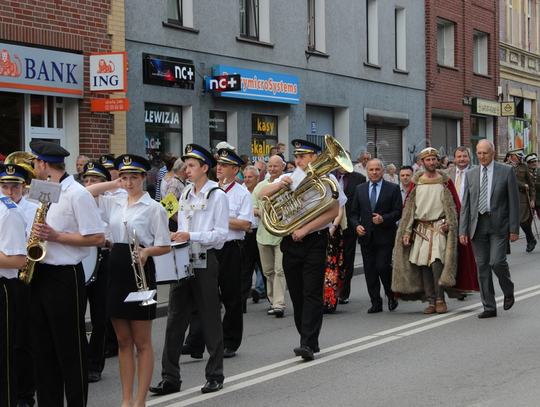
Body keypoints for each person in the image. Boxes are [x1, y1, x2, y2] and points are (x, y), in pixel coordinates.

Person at [87, 154, 171, 407]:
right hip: (116, 267)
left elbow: (164, 245)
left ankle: (140, 400)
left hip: (141, 272)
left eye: (134, 177)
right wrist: (114, 184)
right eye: (125, 176)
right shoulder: (115, 201)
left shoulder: (153, 207)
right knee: (123, 341)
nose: (129, 182)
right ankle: (126, 400)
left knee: (142, 342)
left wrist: (147, 252)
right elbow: (88, 192)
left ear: (144, 178)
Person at [28, 140, 105, 407]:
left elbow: (96, 238)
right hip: (39, 273)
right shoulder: (42, 189)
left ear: (43, 164)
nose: (34, 167)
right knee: (43, 348)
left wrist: (57, 236)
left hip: (64, 277)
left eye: (35, 163)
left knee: (70, 349)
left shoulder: (77, 194)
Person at [149, 144, 228, 395]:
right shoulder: (183, 194)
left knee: (210, 319)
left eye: (192, 165)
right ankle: (170, 377)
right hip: (182, 261)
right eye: (186, 165)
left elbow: (221, 236)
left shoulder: (218, 195)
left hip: (205, 261)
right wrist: (173, 236)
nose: (187, 170)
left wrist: (189, 234)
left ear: (205, 168)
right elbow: (178, 223)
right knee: (174, 321)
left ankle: (215, 375)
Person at [258, 139, 346, 360]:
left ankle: (306, 342)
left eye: (303, 157)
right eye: (296, 157)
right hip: (290, 241)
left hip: (315, 239)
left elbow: (333, 211)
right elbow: (261, 195)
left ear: (315, 157)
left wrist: (305, 229)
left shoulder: (329, 178)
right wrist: (279, 185)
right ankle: (309, 338)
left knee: (312, 292)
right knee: (297, 294)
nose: (297, 161)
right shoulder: (289, 177)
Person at [392, 148, 477, 314]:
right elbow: (409, 210)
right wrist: (407, 232)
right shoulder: (417, 183)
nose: (431, 162)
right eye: (428, 160)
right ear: (422, 162)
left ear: (437, 161)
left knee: (437, 264)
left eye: (434, 159)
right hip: (420, 229)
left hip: (439, 228)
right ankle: (431, 301)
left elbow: (452, 208)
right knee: (424, 265)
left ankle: (440, 299)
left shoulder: (445, 182)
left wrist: (448, 224)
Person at [459, 140, 519, 319]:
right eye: (478, 153)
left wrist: (514, 228)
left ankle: (508, 290)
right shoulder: (471, 174)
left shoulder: (506, 171)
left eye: (485, 153)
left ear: (493, 153)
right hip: (478, 225)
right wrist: (463, 230)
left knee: (496, 262)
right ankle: (489, 306)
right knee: (482, 267)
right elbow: (466, 205)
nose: (482, 156)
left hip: (498, 224)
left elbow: (514, 202)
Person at [0, 162, 36, 407]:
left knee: (19, 341)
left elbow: (18, 259)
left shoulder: (11, 210)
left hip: (13, 280)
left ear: (24, 187)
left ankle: (22, 394)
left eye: (14, 186)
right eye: (5, 186)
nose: (9, 191)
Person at [350, 158, 401, 313]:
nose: (374, 172)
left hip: (385, 235)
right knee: (370, 270)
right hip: (366, 236)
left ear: (383, 171)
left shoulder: (392, 188)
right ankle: (375, 302)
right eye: (371, 170)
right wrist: (356, 225)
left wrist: (383, 219)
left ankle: (391, 294)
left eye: (377, 169)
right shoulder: (360, 189)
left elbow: (398, 211)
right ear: (367, 172)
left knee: (383, 266)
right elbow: (353, 213)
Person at [81, 162, 114, 384]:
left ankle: (95, 364)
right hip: (82, 259)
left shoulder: (111, 201)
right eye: (86, 180)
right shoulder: (78, 201)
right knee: (77, 316)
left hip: (104, 259)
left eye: (94, 180)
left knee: (101, 316)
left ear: (104, 183)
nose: (89, 184)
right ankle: (81, 360)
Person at [253, 155, 288, 317]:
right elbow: (252, 207)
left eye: (276, 166)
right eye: (271, 166)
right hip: (263, 234)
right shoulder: (260, 186)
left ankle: (279, 304)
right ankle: (273, 300)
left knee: (280, 269)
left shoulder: (288, 184)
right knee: (268, 271)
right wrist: (262, 212)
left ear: (283, 167)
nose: (273, 169)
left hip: (281, 234)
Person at [335, 162, 366, 305]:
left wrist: (358, 223)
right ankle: (331, 291)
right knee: (331, 260)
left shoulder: (358, 178)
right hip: (328, 224)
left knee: (348, 260)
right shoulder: (328, 177)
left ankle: (344, 292)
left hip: (349, 226)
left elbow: (361, 202)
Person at [241, 165, 266, 311]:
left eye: (250, 177)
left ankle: (274, 301)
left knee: (264, 269)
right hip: (246, 234)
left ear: (257, 177)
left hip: (260, 232)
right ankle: (242, 303)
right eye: (245, 177)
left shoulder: (263, 189)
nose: (247, 179)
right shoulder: (241, 191)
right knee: (245, 270)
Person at [507, 149, 536, 252]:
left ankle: (531, 238)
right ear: (512, 156)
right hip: (508, 196)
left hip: (521, 197)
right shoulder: (505, 166)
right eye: (518, 156)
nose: (520, 158)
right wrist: (523, 184)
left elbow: (531, 184)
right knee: (506, 221)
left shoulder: (523, 167)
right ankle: (506, 246)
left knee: (522, 220)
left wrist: (532, 198)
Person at [164, 159, 188, 232]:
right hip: (175, 225)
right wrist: (179, 221)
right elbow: (167, 207)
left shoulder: (181, 181)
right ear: (184, 169)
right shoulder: (175, 183)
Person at [525, 153, 540, 218]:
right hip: (529, 199)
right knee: (527, 219)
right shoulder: (526, 172)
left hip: (539, 198)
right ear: (528, 164)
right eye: (532, 162)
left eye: (535, 161)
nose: (534, 163)